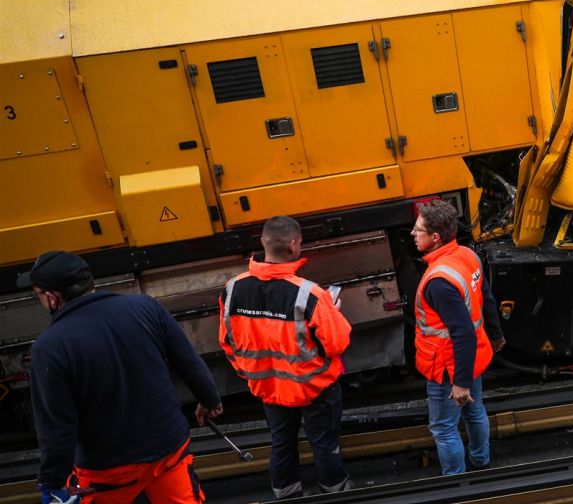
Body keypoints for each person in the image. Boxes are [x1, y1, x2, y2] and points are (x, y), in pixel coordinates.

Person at [25, 251, 222, 504]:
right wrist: (210, 400)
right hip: (168, 449)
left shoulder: (50, 347)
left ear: (52, 298)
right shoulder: (144, 307)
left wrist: (52, 483)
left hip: (108, 469)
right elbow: (188, 361)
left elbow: (56, 427)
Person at [219, 216, 353, 498]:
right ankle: (337, 494)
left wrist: (251, 374)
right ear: (293, 245)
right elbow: (337, 344)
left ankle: (287, 495)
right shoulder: (310, 294)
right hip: (313, 389)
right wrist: (334, 313)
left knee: (281, 443)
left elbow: (227, 342)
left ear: (262, 243)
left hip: (268, 389)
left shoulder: (233, 290)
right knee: (325, 445)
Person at [412, 200, 496, 475]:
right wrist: (496, 334)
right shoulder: (467, 255)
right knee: (475, 410)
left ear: (435, 238)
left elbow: (461, 332)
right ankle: (481, 461)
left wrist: (459, 383)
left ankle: (455, 482)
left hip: (447, 366)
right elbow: (487, 298)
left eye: (418, 229)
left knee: (444, 428)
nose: (413, 234)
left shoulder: (438, 281)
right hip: (471, 357)